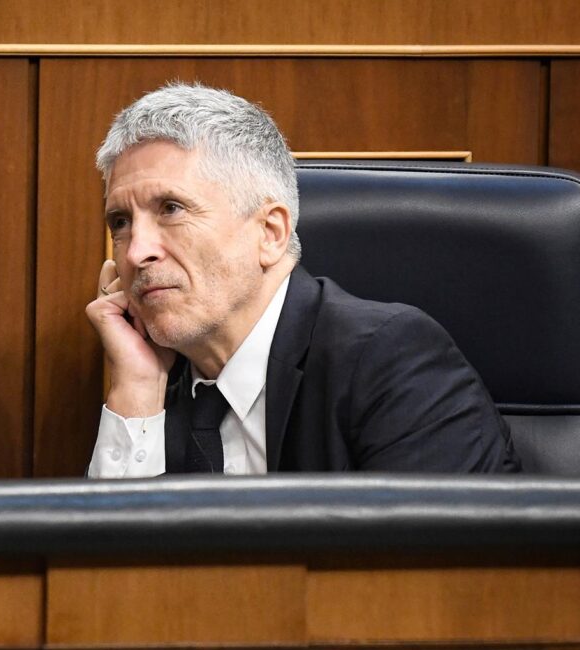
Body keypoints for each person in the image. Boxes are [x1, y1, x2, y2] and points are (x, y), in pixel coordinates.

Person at [86, 82, 521, 476]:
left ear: (270, 233)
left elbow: (417, 563)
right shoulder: (159, 374)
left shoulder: (390, 360)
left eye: (171, 209)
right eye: (120, 221)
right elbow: (102, 563)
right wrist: (138, 390)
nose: (136, 251)